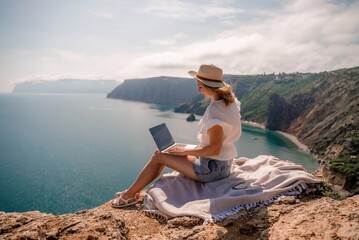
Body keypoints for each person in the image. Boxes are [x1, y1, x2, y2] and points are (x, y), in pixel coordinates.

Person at [112, 64, 242, 208]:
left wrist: (186, 151)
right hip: (223, 165)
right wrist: (186, 150)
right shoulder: (231, 102)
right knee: (171, 151)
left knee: (158, 156)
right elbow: (219, 145)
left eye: (200, 87)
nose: (199, 91)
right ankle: (133, 190)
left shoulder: (215, 109)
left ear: (209, 87)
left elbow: (214, 149)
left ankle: (129, 195)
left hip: (211, 171)